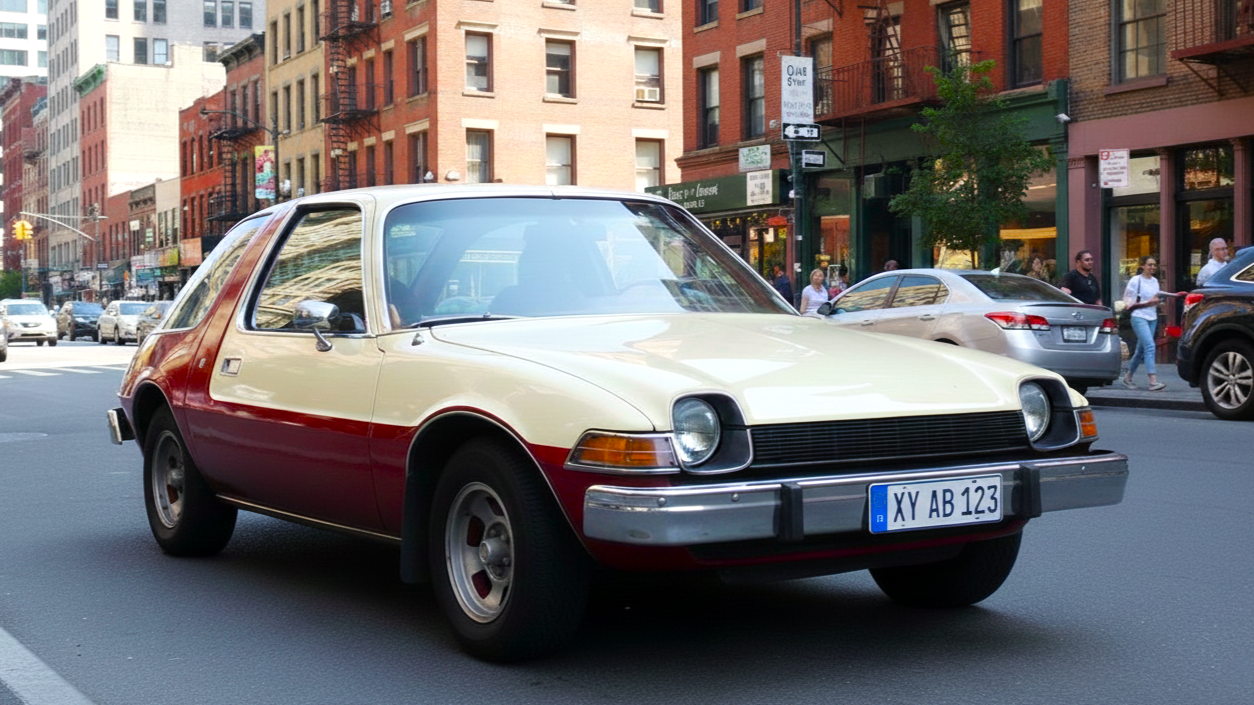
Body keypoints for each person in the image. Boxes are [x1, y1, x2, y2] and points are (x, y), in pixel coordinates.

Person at [1121, 256, 1176, 391]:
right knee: (1150, 346)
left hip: (1152, 317)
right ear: (1142, 266)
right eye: (1149, 265)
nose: (1152, 268)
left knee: (1141, 350)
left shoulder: (1155, 281)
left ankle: (1128, 377)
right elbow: (1127, 304)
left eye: (1154, 265)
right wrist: (1148, 303)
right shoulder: (1135, 281)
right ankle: (1153, 381)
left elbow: (1156, 297)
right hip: (1138, 316)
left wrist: (1162, 300)